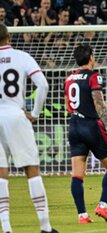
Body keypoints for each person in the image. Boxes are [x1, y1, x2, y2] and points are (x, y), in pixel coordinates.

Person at [0, 24, 58, 233]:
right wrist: (34, 113)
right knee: (32, 169)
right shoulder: (21, 56)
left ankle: (6, 228)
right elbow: (42, 85)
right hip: (16, 115)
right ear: (8, 37)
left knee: (0, 174)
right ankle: (45, 227)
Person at [64, 44, 107, 223]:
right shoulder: (93, 76)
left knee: (77, 175)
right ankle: (102, 206)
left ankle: (82, 216)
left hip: (74, 126)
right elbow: (99, 103)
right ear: (91, 58)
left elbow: (67, 106)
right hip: (91, 125)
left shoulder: (69, 78)